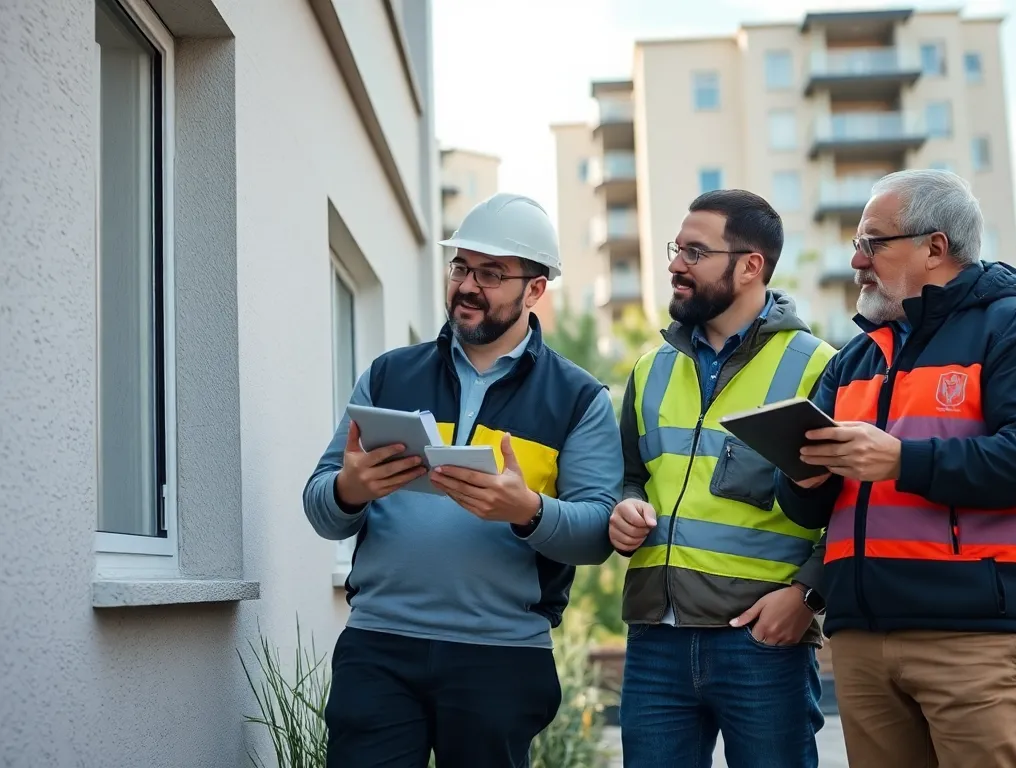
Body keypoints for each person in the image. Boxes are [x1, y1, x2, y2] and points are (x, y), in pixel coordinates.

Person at [773, 169, 1016, 768]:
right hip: (860, 638)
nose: (857, 261)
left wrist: (901, 460)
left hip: (972, 635)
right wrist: (803, 479)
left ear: (935, 247)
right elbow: (810, 507)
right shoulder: (855, 358)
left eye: (872, 243)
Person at [301, 192, 620, 768]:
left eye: (491, 273)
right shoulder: (388, 375)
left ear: (535, 289)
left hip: (501, 656)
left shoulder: (578, 398)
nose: (467, 286)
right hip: (379, 645)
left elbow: (598, 533)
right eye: (461, 267)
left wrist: (529, 512)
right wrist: (352, 489)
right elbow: (321, 507)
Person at [607, 189, 838, 768]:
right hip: (655, 639)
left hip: (761, 642)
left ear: (750, 265)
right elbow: (629, 476)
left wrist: (807, 597)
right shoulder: (649, 369)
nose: (675, 266)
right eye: (677, 249)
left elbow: (859, 507)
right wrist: (625, 507)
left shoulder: (820, 367)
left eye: (695, 252)